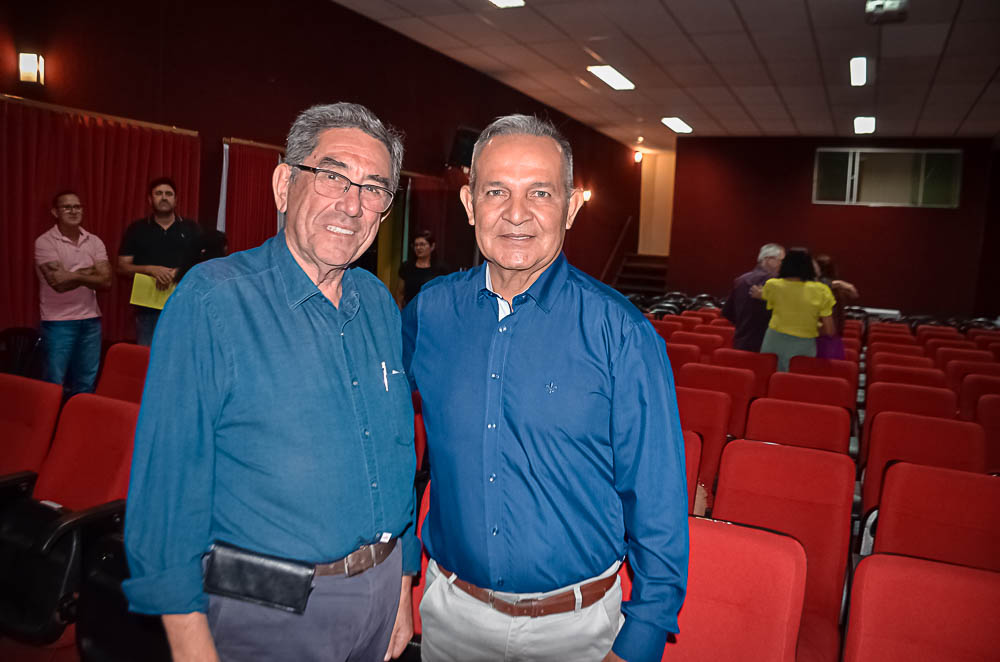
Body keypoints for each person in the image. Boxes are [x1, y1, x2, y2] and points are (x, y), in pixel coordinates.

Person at [123, 103, 418, 662]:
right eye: (333, 176)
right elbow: (167, 486)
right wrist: (189, 643)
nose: (351, 205)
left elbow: (396, 450)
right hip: (270, 610)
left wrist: (400, 582)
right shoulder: (212, 299)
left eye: (374, 188)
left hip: (378, 600)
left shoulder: (379, 304)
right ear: (286, 183)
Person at [403, 115, 688, 662]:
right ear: (468, 203)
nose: (516, 214)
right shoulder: (430, 313)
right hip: (450, 617)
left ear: (572, 206)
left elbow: (657, 497)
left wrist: (643, 636)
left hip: (576, 631)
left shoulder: (621, 333)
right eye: (495, 192)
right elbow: (384, 434)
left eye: (540, 192)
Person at [34, 191, 111, 396]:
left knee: (86, 383)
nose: (73, 211)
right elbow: (58, 283)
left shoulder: (94, 241)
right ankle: (51, 426)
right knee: (53, 383)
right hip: (58, 322)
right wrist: (90, 271)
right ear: (55, 212)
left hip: (91, 320)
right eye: (67, 207)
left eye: (77, 207)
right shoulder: (45, 242)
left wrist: (71, 275)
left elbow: (106, 280)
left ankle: (79, 425)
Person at [117, 177, 202, 345]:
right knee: (148, 359)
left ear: (176, 200)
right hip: (148, 310)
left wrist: (180, 271)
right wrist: (150, 269)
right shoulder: (137, 229)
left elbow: (204, 264)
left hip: (184, 307)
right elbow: (121, 267)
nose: (164, 197)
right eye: (159, 193)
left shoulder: (192, 228)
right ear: (150, 199)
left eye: (169, 194)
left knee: (181, 358)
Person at [752, 248, 835, 371]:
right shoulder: (821, 290)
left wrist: (760, 294)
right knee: (795, 383)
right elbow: (829, 330)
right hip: (803, 343)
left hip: (774, 339)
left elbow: (767, 296)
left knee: (770, 379)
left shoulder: (773, 285)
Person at [721, 243, 785, 352]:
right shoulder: (779, 284)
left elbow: (727, 312)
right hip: (768, 344)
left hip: (741, 341)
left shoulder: (740, 280)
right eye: (781, 260)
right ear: (769, 259)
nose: (783, 264)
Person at [814, 254, 859, 359]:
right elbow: (854, 293)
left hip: (822, 329)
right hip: (836, 328)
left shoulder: (819, 286)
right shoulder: (836, 287)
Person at [395, 230, 448, 307]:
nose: (418, 248)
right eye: (416, 245)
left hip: (432, 310)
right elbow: (399, 293)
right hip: (410, 310)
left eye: (422, 244)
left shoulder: (440, 268)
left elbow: (444, 294)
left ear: (432, 246)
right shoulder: (407, 266)